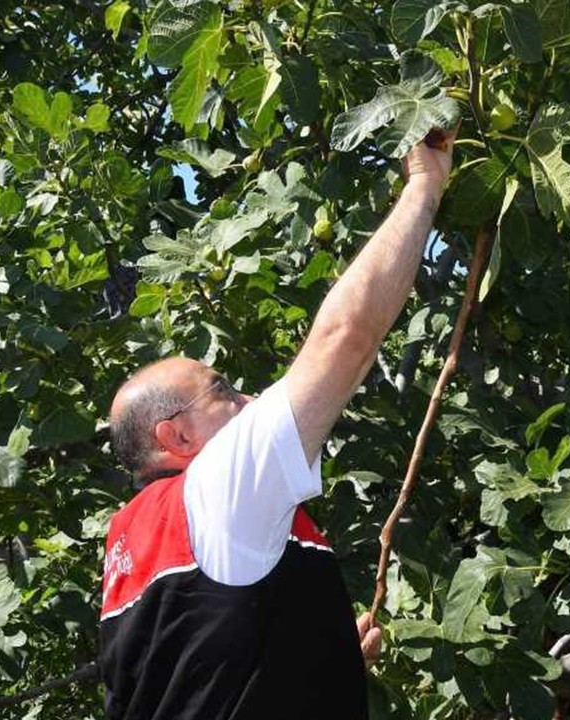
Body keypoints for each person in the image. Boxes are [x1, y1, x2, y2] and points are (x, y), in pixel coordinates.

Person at [98, 127, 456, 720]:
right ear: (177, 436)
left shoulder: (132, 537)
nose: (245, 399)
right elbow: (346, 339)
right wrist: (425, 185)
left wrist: (319, 656)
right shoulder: (215, 487)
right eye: (221, 391)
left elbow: (198, 673)